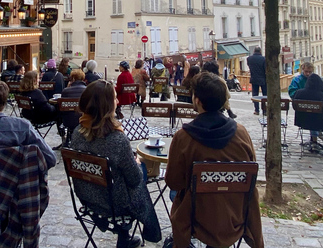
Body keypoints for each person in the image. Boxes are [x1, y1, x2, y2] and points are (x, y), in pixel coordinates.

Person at [164, 73, 263, 248]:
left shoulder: (184, 137)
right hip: (235, 214)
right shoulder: (241, 133)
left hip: (196, 216)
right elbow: (251, 173)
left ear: (197, 101)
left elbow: (173, 181)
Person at [69, 81, 161, 248]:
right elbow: (134, 180)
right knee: (140, 175)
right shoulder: (117, 140)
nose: (117, 102)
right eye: (115, 99)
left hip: (87, 197)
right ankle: (150, 231)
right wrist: (137, 163)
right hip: (114, 205)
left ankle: (126, 237)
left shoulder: (77, 133)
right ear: (107, 106)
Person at [293, 74, 323, 151]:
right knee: (317, 118)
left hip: (302, 121)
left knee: (312, 118)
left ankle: (314, 140)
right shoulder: (322, 96)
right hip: (319, 123)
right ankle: (318, 139)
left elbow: (294, 106)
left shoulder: (298, 93)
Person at [57, 69, 87, 149]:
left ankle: (66, 138)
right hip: (83, 120)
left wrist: (67, 87)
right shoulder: (87, 90)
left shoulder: (66, 91)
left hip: (68, 121)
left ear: (73, 79)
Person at [247, 47, 267, 115]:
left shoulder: (249, 59)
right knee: (265, 95)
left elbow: (249, 67)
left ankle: (256, 110)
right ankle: (265, 110)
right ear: (260, 51)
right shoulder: (264, 59)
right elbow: (265, 69)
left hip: (254, 78)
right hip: (263, 79)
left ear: (254, 51)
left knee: (255, 95)